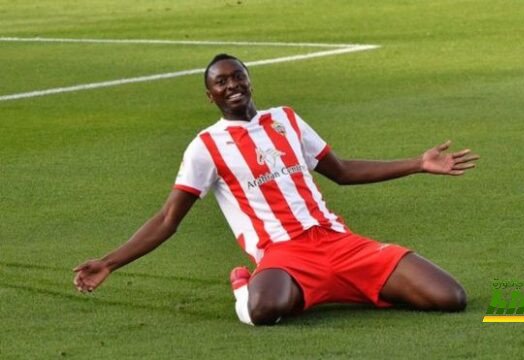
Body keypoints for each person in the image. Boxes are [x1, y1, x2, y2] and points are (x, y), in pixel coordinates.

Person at [73, 54, 479, 326]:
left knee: (450, 297)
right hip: (283, 253)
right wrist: (110, 262)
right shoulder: (206, 147)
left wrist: (418, 164)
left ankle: (336, 284)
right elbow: (167, 220)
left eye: (237, 76)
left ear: (249, 80)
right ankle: (243, 287)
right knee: (264, 310)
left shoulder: (285, 119)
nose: (231, 85)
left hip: (337, 241)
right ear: (209, 94)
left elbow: (342, 171)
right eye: (220, 82)